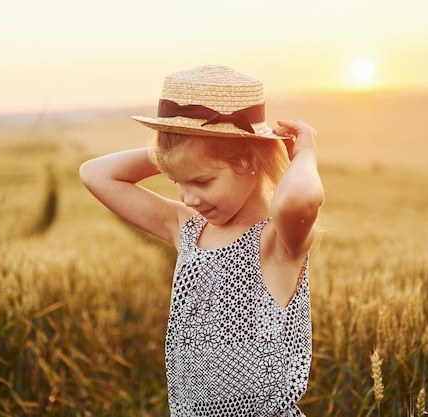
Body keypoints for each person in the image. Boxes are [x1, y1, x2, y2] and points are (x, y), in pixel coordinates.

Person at [79, 64, 324, 416]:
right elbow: (95, 174)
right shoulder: (188, 229)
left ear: (249, 161)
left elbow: (299, 198)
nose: (188, 198)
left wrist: (305, 153)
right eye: (175, 181)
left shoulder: (276, 244)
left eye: (203, 181)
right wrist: (176, 149)